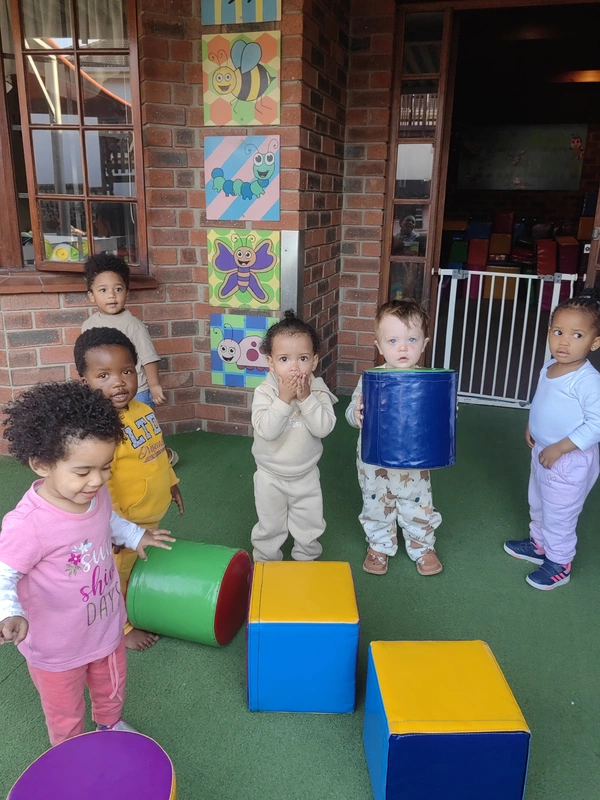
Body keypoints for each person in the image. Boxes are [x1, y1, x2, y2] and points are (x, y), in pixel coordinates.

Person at [0, 381, 174, 746]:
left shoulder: (96, 494)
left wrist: (135, 535)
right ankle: (72, 752)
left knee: (111, 687)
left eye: (106, 467)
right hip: (56, 647)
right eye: (83, 471)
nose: (97, 480)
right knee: (65, 712)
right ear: (42, 463)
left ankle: (109, 725)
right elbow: (5, 571)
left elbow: (107, 521)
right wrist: (9, 612)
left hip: (105, 626)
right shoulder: (28, 524)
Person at [74, 327, 183, 649]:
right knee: (114, 579)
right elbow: (98, 485)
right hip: (125, 526)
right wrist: (116, 532)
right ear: (86, 382)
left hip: (150, 511)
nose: (118, 382)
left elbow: (157, 452)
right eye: (103, 375)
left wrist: (172, 484)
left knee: (138, 569)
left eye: (126, 371)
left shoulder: (143, 410)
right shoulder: (98, 431)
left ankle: (139, 603)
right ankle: (122, 627)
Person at [504, 289, 600, 590]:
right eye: (558, 332)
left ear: (594, 343)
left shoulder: (587, 380)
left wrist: (560, 447)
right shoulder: (550, 366)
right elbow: (543, 400)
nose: (564, 341)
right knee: (539, 502)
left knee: (560, 513)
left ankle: (559, 563)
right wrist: (534, 426)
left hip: (570, 459)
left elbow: (597, 423)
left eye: (577, 335)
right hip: (544, 451)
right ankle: (539, 545)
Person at [346, 299, 443, 577]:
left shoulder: (430, 381)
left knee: (418, 502)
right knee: (376, 503)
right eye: (392, 340)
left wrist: (444, 411)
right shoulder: (371, 379)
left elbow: (438, 417)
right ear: (379, 346)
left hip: (413, 463)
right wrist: (357, 413)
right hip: (373, 462)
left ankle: (422, 546)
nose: (402, 347)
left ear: (424, 344)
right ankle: (379, 544)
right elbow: (352, 412)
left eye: (411, 339)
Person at [251, 310, 337, 562]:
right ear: (271, 363)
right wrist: (284, 399)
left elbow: (323, 428)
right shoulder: (265, 392)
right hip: (269, 475)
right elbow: (266, 430)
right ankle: (266, 561)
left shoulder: (318, 390)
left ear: (314, 361)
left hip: (306, 474)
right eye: (285, 359)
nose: (295, 367)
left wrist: (306, 398)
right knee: (269, 523)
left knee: (309, 522)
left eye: (302, 358)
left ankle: (306, 559)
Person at [81, 253, 178, 465]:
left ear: (127, 292)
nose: (111, 296)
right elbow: (86, 360)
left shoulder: (132, 325)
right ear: (91, 296)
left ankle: (159, 455)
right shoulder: (88, 325)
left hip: (138, 390)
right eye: (103, 290)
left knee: (141, 427)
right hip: (106, 390)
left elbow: (148, 358)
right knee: (112, 427)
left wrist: (153, 386)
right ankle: (117, 460)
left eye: (118, 289)